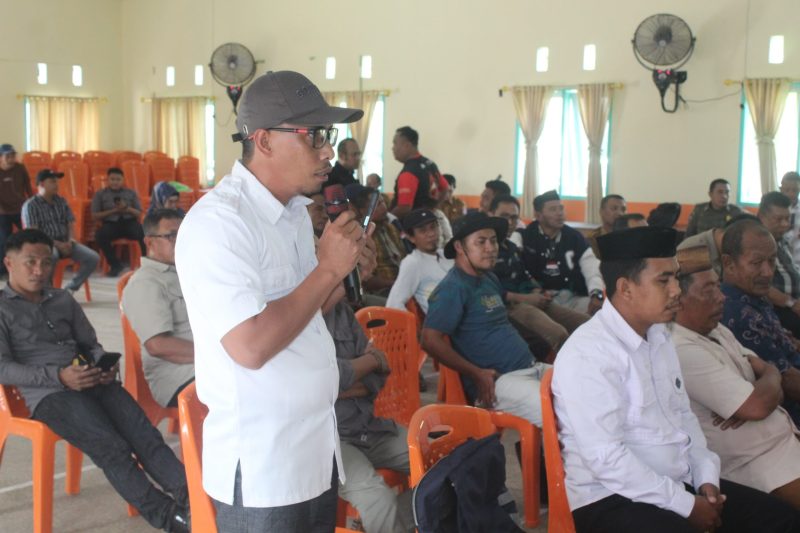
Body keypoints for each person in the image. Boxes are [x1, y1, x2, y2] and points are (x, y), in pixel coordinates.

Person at [175, 70, 369, 532]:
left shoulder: (295, 214)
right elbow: (252, 346)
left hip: (314, 447)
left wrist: (336, 277)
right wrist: (325, 271)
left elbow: (299, 314)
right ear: (262, 141)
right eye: (313, 136)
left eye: (328, 135)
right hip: (264, 466)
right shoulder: (219, 224)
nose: (326, 150)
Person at [552, 225, 800, 533]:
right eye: (664, 280)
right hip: (610, 497)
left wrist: (706, 478)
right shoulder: (589, 354)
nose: (676, 290)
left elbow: (683, 418)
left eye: (675, 277)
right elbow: (607, 460)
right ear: (626, 288)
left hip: (675, 481)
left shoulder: (660, 336)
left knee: (780, 519)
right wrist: (685, 506)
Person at [0, 229, 189, 532]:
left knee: (145, 435)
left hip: (91, 379)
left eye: (46, 263)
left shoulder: (62, 299)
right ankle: (169, 517)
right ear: (9, 263)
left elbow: (90, 342)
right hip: (48, 395)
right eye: (30, 262)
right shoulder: (3, 308)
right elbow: (3, 367)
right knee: (111, 447)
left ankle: (191, 500)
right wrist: (59, 377)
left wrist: (103, 364)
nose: (39, 270)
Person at [673, 244, 800, 510]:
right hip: (756, 463)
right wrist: (760, 391)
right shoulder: (680, 347)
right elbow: (758, 405)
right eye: (709, 291)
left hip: (784, 441)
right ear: (677, 299)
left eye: (718, 287)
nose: (721, 298)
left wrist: (769, 375)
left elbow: (769, 381)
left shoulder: (716, 329)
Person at [421, 212, 549, 424]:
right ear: (460, 247)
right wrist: (477, 373)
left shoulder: (489, 278)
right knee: (562, 413)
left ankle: (538, 453)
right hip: (498, 382)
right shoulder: (453, 288)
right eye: (481, 242)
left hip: (531, 368)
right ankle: (550, 456)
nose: (491, 248)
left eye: (493, 241)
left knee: (584, 390)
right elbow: (428, 340)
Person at [325, 297, 414, 533]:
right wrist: (369, 361)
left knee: (443, 457)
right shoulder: (294, 320)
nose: (344, 285)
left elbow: (378, 376)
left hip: (369, 428)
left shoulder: (341, 312)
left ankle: (382, 524)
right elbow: (314, 386)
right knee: (378, 498)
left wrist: (362, 370)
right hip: (328, 441)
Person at [719, 219, 800, 426]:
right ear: (728, 263)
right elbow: (789, 382)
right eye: (757, 263)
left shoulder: (755, 297)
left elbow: (788, 345)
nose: (767, 272)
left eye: (772, 261)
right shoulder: (736, 312)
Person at [490, 194, 588, 354]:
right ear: (490, 214)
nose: (509, 223)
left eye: (514, 218)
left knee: (587, 324)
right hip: (508, 307)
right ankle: (559, 376)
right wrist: (525, 298)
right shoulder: (486, 248)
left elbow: (523, 276)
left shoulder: (511, 247)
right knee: (559, 334)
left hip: (530, 298)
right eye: (503, 216)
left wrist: (536, 290)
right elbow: (488, 291)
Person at [122, 209, 194, 408]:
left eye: (184, 234)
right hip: (178, 376)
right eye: (171, 236)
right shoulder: (146, 283)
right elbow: (158, 346)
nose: (181, 241)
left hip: (205, 363)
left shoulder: (187, 271)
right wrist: (217, 354)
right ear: (149, 242)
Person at [518, 190, 604, 314]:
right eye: (553, 209)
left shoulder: (575, 237)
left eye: (561, 208)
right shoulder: (525, 236)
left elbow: (590, 266)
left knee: (602, 312)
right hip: (540, 299)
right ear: (538, 215)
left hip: (573, 297)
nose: (559, 213)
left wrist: (596, 293)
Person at [21, 169, 99, 293]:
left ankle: (70, 288)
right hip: (43, 244)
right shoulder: (31, 205)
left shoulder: (61, 201)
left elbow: (70, 224)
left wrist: (71, 241)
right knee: (51, 256)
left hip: (66, 243)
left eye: (57, 182)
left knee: (93, 257)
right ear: (41, 184)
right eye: (52, 182)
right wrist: (57, 244)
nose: (56, 185)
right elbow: (34, 234)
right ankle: (46, 291)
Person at [386, 209, 453, 314]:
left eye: (433, 227)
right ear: (411, 238)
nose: (431, 234)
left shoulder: (448, 256)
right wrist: (414, 328)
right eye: (423, 230)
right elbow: (393, 305)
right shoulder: (413, 262)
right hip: (444, 325)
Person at [349, 184, 406, 297]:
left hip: (403, 282)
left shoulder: (391, 228)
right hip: (382, 291)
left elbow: (403, 257)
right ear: (362, 211)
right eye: (377, 204)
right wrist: (396, 284)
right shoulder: (361, 236)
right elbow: (367, 281)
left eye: (382, 202)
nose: (383, 207)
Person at [757, 192, 800, 337]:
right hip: (777, 308)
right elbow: (760, 285)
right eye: (779, 219)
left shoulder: (781, 239)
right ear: (762, 217)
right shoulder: (756, 243)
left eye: (787, 218)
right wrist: (792, 304)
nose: (785, 224)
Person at [91, 167, 146, 277]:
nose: (115, 182)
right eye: (112, 179)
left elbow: (139, 213)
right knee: (100, 235)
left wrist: (127, 208)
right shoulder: (100, 194)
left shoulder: (131, 193)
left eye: (118, 179)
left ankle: (146, 264)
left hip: (129, 222)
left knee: (143, 232)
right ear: (108, 180)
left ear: (123, 180)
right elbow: (95, 216)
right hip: (111, 224)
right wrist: (114, 210)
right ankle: (115, 265)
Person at [389, 126, 447, 219]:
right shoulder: (430, 164)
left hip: (413, 228)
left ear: (406, 145)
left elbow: (404, 208)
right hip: (430, 221)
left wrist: (388, 219)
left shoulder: (409, 172)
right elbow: (445, 188)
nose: (393, 148)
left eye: (395, 143)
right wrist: (433, 208)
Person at [0, 143, 32, 277]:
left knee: (29, 236)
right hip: (3, 212)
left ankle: (29, 266)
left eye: (13, 155)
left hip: (21, 209)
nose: (11, 159)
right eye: (8, 156)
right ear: (1, 157)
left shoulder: (20, 168)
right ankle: (3, 270)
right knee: (3, 241)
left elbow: (27, 185)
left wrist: (31, 201)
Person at [780, 171, 800, 264]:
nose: (791, 194)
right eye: (787, 190)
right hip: (780, 259)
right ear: (781, 189)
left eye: (795, 190)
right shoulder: (775, 211)